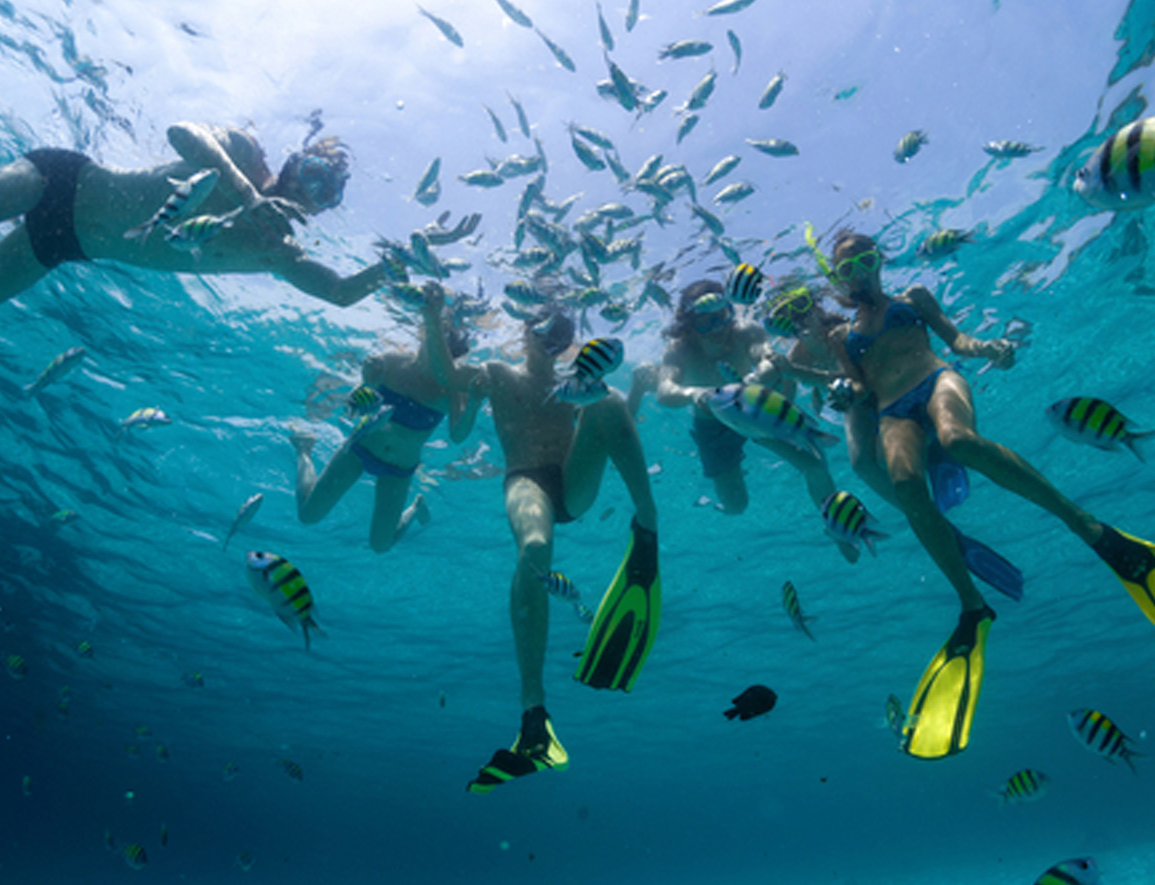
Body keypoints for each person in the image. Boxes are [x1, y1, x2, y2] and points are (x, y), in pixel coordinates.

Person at [822, 227, 1155, 759]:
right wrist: (845, 393)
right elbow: (858, 386)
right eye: (846, 266)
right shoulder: (840, 337)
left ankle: (1088, 528)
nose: (859, 270)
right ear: (836, 277)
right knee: (907, 485)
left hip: (938, 381)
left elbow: (957, 341)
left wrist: (990, 348)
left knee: (959, 440)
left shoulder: (914, 300)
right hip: (890, 410)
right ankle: (971, 607)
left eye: (865, 258)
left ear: (880, 260)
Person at [422, 298, 660, 794]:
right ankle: (533, 712)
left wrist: (635, 387)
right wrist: (431, 313)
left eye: (560, 334)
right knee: (534, 547)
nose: (550, 340)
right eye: (542, 330)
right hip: (525, 480)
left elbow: (618, 429)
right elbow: (451, 394)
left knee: (609, 400)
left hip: (573, 481)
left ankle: (648, 528)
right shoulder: (496, 372)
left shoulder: (575, 383)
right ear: (525, 332)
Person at [0, 122, 480, 320]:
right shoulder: (244, 153)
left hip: (62, 245)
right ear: (293, 163)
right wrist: (250, 196)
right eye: (313, 173)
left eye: (328, 193)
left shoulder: (278, 250)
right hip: (58, 179)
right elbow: (182, 133)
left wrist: (411, 254)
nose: (311, 191)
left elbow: (341, 294)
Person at [647, 278, 853, 558]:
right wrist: (695, 393)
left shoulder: (746, 331)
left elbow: (765, 357)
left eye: (721, 317)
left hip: (755, 411)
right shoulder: (678, 349)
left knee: (815, 465)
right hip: (713, 424)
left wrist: (759, 374)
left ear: (729, 311)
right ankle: (712, 503)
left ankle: (838, 530)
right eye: (705, 323)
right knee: (736, 505)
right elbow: (664, 392)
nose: (717, 329)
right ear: (689, 325)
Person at [291, 285, 478, 553]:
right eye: (435, 348)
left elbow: (458, 435)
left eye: (447, 357)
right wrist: (367, 383)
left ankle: (415, 508)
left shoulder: (452, 389)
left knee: (380, 545)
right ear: (425, 337)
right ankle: (304, 450)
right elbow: (353, 408)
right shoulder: (391, 362)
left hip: (398, 469)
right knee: (308, 515)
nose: (438, 361)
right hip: (359, 448)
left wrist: (474, 402)